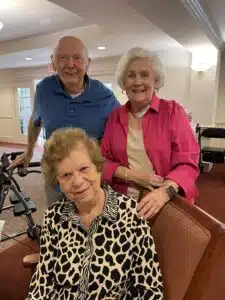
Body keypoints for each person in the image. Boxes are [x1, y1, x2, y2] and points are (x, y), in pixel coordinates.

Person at [26, 128, 164, 299]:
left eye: (84, 169)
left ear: (98, 168)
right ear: (58, 181)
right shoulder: (54, 217)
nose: (77, 182)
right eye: (66, 175)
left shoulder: (131, 215)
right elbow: (43, 282)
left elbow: (149, 290)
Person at [10, 36, 120, 205]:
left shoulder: (105, 95)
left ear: (87, 62)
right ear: (53, 61)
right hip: (56, 181)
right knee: (59, 222)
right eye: (63, 58)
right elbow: (35, 121)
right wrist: (29, 151)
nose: (70, 65)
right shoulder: (43, 89)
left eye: (77, 58)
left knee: (92, 223)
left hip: (90, 181)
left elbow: (122, 129)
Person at [101, 47, 199, 220]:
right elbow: (102, 161)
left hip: (166, 202)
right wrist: (130, 175)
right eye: (131, 75)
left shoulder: (172, 112)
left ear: (156, 81)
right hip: (123, 203)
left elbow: (188, 163)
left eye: (144, 75)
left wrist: (164, 192)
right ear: (123, 83)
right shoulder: (114, 117)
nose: (137, 81)